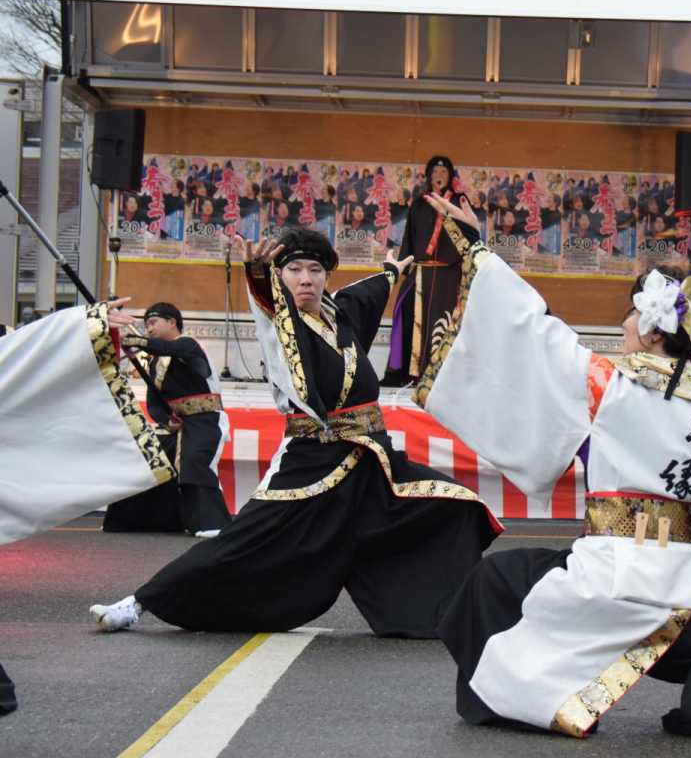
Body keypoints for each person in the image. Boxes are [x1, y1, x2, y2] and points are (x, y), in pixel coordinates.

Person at [413, 193, 691, 739]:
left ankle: (509, 696)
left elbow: (530, 329)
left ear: (650, 330)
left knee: (495, 579)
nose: (622, 326)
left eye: (629, 314)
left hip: (604, 571)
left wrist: (476, 248)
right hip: (688, 589)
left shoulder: (606, 384)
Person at [88, 229, 500, 636]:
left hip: (373, 461)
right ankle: (138, 603)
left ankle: (453, 611)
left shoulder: (342, 315)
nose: (305, 278)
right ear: (280, 277)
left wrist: (391, 271)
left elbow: (371, 290)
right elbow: (268, 302)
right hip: (312, 460)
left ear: (326, 277)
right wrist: (257, 270)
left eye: (315, 269)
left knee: (454, 505)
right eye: (294, 269)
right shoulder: (282, 323)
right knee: (242, 542)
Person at [103, 303, 232, 537]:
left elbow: (165, 347)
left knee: (193, 461)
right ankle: (137, 520)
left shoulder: (189, 346)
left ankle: (212, 523)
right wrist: (166, 420)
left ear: (172, 322)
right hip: (178, 426)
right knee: (148, 458)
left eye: (153, 323)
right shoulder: (155, 362)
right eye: (145, 326)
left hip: (205, 420)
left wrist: (136, 342)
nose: (149, 329)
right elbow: (155, 402)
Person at [388, 155, 480, 385]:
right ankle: (405, 374)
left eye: (443, 173)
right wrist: (403, 267)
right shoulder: (419, 203)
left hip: (449, 273)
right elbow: (410, 236)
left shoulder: (459, 201)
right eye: (435, 173)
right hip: (421, 272)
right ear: (429, 176)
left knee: (448, 322)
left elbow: (468, 234)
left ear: (450, 176)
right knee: (406, 312)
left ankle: (444, 376)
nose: (438, 176)